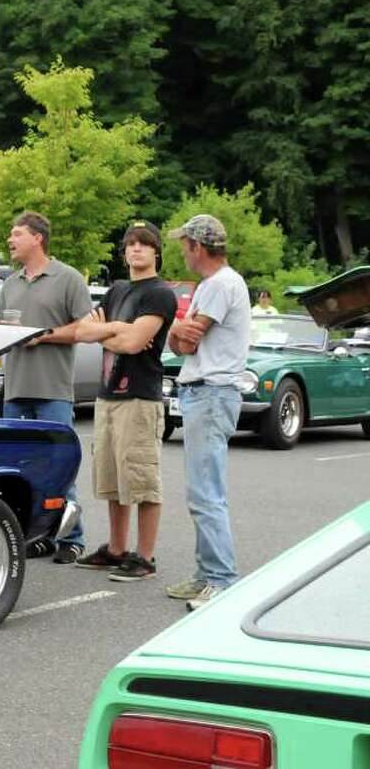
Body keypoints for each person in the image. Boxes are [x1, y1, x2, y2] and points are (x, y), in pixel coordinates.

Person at [74, 221, 178, 581]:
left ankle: (144, 558)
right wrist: (118, 330)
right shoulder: (117, 290)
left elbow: (135, 345)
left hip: (140, 397)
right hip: (107, 396)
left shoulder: (161, 294)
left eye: (143, 244)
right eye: (130, 244)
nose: (135, 250)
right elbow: (81, 330)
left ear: (156, 251)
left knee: (142, 479)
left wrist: (111, 333)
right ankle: (117, 550)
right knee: (113, 480)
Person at [164, 214, 251, 611]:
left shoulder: (220, 284)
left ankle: (220, 578)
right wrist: (178, 331)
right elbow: (180, 339)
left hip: (212, 391)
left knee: (206, 491)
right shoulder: (213, 284)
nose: (182, 251)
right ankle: (206, 574)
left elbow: (189, 339)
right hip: (207, 392)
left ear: (198, 247)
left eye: (185, 244)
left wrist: (179, 330)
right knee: (202, 489)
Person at [0, 211, 93, 562]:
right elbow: (0, 332)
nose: (11, 240)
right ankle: (38, 536)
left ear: (38, 238)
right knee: (18, 470)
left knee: (59, 466)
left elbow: (86, 328)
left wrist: (45, 337)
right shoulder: (10, 283)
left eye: (17, 233)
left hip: (53, 391)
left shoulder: (67, 278)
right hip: (16, 391)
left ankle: (72, 539)